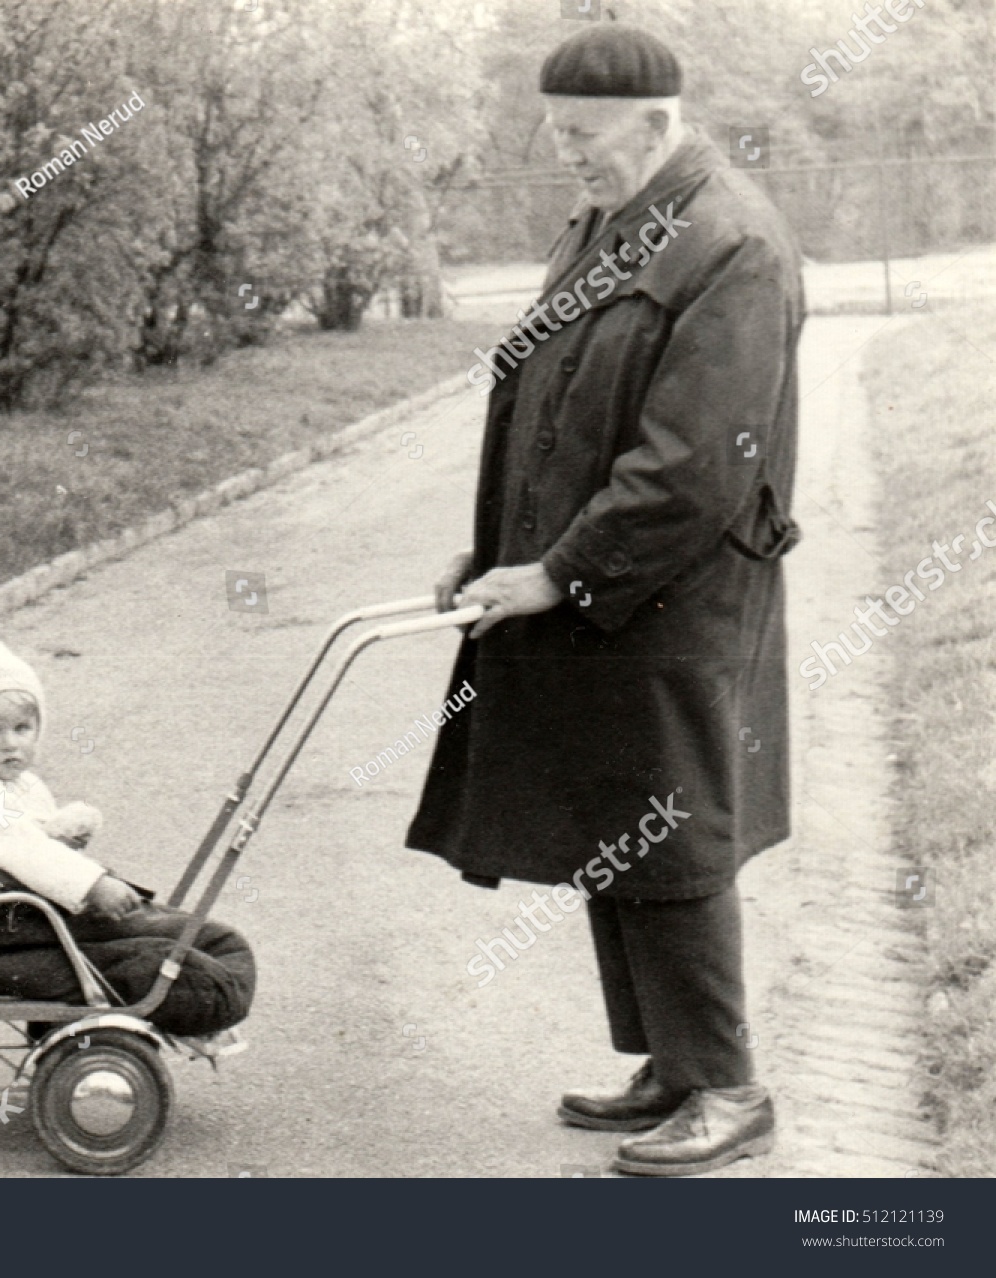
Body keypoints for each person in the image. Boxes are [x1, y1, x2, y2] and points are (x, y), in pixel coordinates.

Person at [408, 23, 802, 1176]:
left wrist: (558, 570)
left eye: (582, 134)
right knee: (613, 827)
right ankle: (671, 1067)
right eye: (556, 129)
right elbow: (558, 411)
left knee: (671, 836)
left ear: (656, 122)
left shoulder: (735, 243)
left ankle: (730, 1087)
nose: (562, 151)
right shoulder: (613, 217)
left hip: (678, 599)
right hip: (598, 592)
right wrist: (493, 551)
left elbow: (690, 465)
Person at [0, 627, 255, 1045]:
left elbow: (31, 841)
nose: (10, 744)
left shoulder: (11, 784)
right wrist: (92, 883)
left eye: (23, 728)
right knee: (145, 947)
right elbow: (27, 851)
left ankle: (198, 973)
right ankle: (194, 992)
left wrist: (66, 849)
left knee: (173, 936)